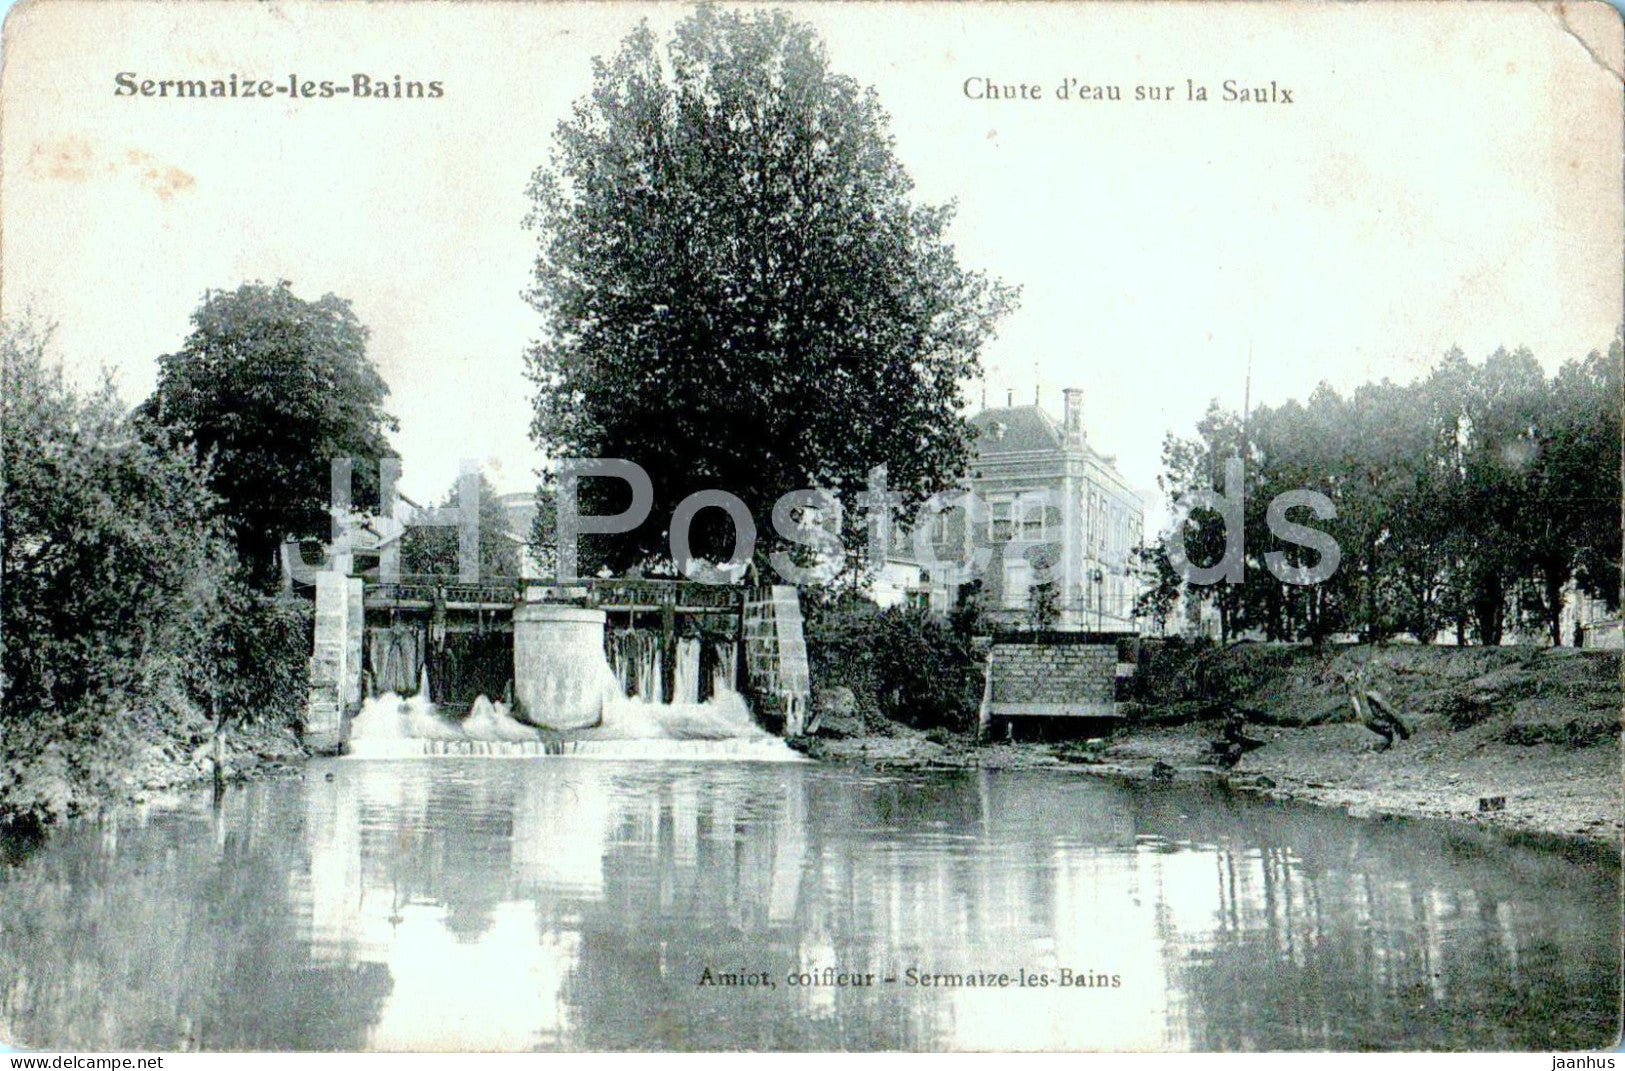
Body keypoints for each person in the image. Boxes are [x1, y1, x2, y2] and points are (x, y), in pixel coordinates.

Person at [1338, 668, 1412, 750]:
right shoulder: (1354, 699)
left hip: (1382, 717)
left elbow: (1389, 710)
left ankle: (1395, 736)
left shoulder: (1370, 696)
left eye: (1352, 680)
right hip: (1370, 718)